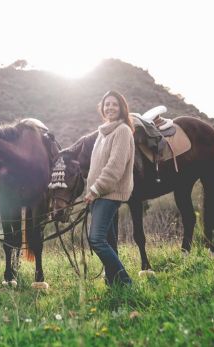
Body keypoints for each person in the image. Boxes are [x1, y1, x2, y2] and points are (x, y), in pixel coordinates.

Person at [84, 90, 135, 286]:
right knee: (109, 240)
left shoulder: (122, 130)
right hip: (98, 194)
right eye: (107, 104)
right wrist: (91, 191)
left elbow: (115, 166)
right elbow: (97, 165)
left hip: (109, 194)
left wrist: (96, 189)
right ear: (102, 108)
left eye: (114, 104)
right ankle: (113, 283)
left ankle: (125, 282)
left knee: (96, 239)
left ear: (122, 107)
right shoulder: (103, 132)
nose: (110, 107)